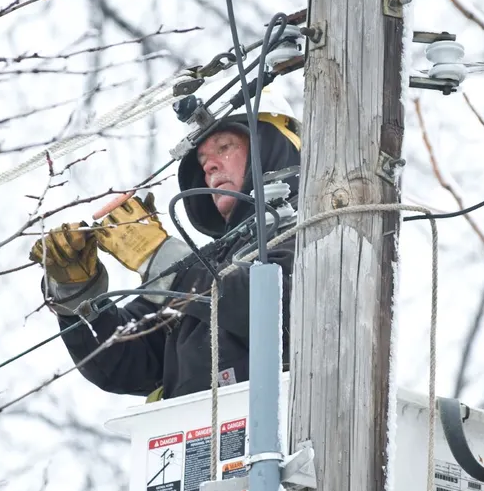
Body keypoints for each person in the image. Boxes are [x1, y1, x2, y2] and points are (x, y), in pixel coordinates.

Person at [29, 95, 302, 401]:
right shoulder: (212, 263)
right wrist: (78, 298)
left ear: (271, 147)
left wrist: (162, 260)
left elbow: (275, 309)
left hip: (293, 434)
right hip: (200, 441)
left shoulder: (316, 226)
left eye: (225, 147)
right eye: (202, 162)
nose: (210, 165)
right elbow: (123, 362)